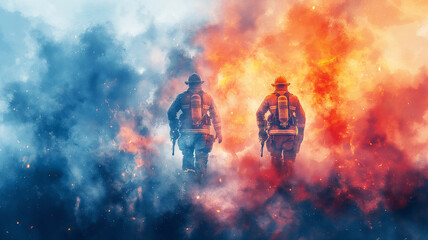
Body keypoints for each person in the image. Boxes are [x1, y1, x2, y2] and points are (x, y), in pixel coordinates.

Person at [168, 73, 222, 181]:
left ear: (189, 84)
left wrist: (174, 128)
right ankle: (200, 188)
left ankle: (188, 188)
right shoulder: (208, 97)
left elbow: (170, 112)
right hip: (203, 135)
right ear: (200, 84)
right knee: (201, 161)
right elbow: (215, 115)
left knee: (188, 159)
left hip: (186, 134)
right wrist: (219, 132)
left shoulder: (181, 97)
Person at [256, 76, 305, 177]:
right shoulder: (294, 98)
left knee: (276, 161)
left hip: (274, 136)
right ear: (286, 86)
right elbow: (302, 117)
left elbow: (259, 113)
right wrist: (300, 133)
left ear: (276, 86)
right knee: (289, 162)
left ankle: (276, 183)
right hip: (290, 135)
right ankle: (289, 183)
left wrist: (262, 129)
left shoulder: (269, 98)